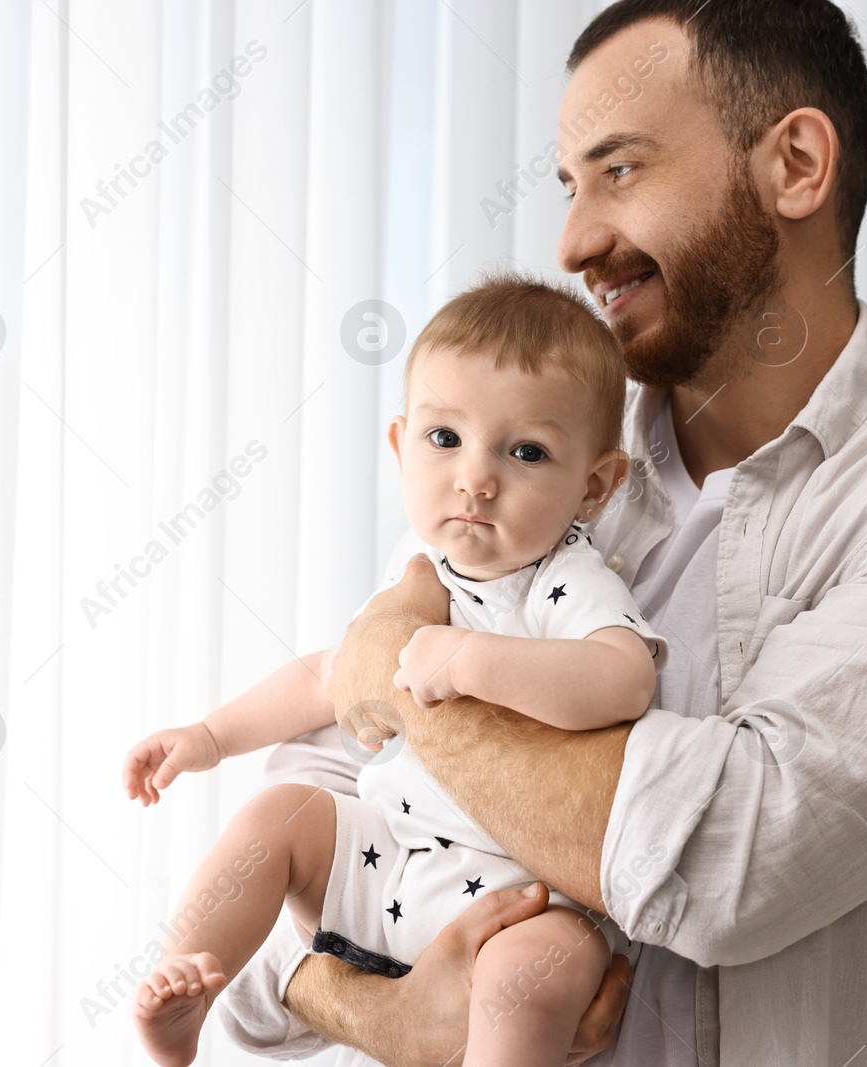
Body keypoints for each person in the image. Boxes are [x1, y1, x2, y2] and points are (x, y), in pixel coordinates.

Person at [217, 1, 867, 1064]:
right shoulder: (536, 479)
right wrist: (377, 1012)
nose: (572, 239)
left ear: (795, 163)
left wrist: (400, 669)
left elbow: (725, 865)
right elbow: (272, 891)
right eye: (567, 184)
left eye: (620, 171)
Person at [122, 275, 671, 1067]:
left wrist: (477, 660)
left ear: (594, 485)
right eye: (445, 439)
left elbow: (624, 679)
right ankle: (189, 986)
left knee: (536, 975)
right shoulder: (416, 571)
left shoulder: (565, 580)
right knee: (279, 813)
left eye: (526, 452)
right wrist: (209, 736)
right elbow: (331, 678)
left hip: (517, 896)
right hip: (387, 859)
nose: (475, 478)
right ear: (399, 444)